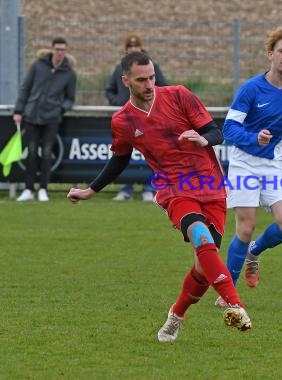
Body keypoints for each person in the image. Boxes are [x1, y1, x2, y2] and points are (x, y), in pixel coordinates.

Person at [67, 51, 251, 342]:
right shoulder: (123, 120)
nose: (149, 84)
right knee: (201, 237)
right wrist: (92, 189)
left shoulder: (179, 95)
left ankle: (175, 315)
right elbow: (119, 159)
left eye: (152, 77)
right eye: (141, 80)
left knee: (204, 267)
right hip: (174, 190)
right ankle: (235, 304)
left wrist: (204, 139)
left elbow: (215, 131)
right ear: (125, 80)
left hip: (210, 186)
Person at [218, 26, 282, 306]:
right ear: (270, 54)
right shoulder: (250, 89)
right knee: (244, 229)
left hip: (274, 165)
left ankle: (254, 253)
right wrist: (253, 138)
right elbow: (228, 128)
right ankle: (228, 295)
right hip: (244, 164)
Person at [105, 33, 167, 202]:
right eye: (129, 47)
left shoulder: (151, 67)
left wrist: (153, 105)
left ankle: (150, 189)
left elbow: (163, 88)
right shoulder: (120, 69)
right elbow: (109, 89)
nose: (133, 49)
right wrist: (116, 101)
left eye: (135, 46)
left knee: (151, 155)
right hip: (127, 121)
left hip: (148, 119)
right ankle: (126, 189)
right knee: (123, 155)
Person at [13, 37, 77, 202]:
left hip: (51, 119)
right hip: (31, 116)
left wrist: (60, 108)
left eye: (63, 49)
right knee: (32, 153)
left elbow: (70, 98)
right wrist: (19, 110)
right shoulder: (37, 65)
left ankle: (43, 189)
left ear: (66, 51)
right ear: (52, 49)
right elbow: (25, 88)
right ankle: (28, 189)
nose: (60, 52)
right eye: (57, 49)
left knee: (47, 154)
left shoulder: (69, 73)